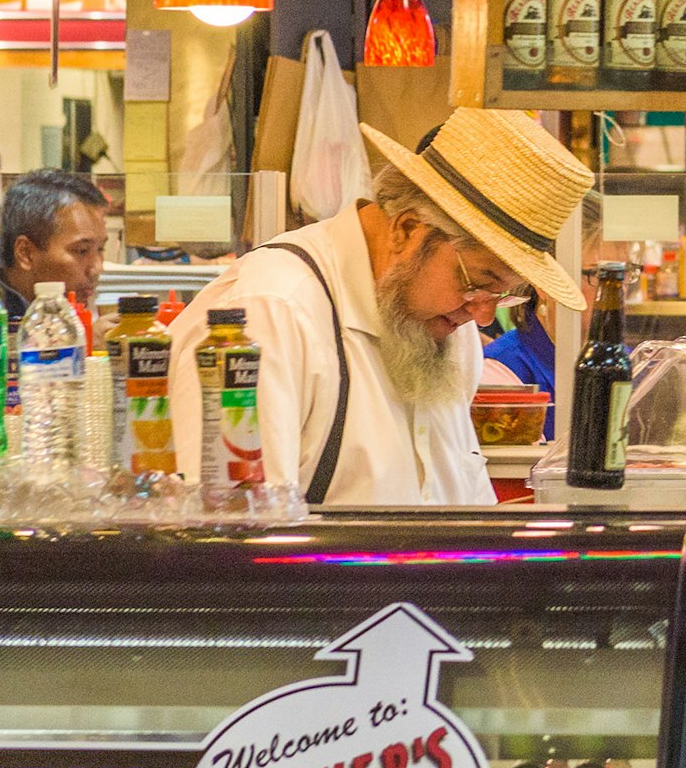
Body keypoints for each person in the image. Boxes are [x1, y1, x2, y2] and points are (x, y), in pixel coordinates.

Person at [162, 110, 586, 506]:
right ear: (406, 230)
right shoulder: (271, 314)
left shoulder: (447, 332)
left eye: (504, 295)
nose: (483, 316)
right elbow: (229, 540)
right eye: (477, 284)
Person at [0, 171, 112, 322]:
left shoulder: (58, 313)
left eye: (100, 249)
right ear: (26, 253)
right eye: (82, 251)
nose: (97, 268)